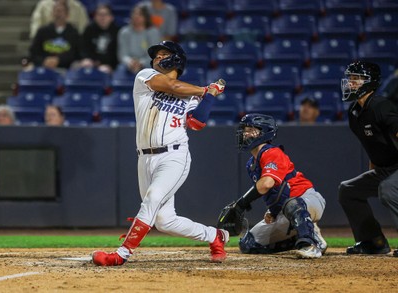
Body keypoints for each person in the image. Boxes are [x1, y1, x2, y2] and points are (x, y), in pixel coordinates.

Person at [92, 40, 228, 266]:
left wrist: (209, 97)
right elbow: (172, 86)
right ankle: (215, 236)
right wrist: (207, 90)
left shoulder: (191, 96)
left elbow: (196, 123)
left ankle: (121, 254)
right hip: (144, 157)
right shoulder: (145, 76)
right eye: (156, 55)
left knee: (152, 198)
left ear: (176, 59)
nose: (157, 58)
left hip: (174, 155)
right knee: (165, 221)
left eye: (163, 54)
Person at [218, 113, 327, 258]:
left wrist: (241, 204)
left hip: (307, 199)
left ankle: (309, 244)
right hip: (286, 209)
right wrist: (273, 211)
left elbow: (266, 184)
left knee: (292, 203)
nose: (245, 133)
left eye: (251, 129)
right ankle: (312, 236)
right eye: (244, 130)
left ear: (264, 132)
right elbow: (275, 191)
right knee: (248, 244)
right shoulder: (251, 163)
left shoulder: (272, 152)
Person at [338, 61, 398, 257]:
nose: (350, 83)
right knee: (348, 190)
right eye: (350, 79)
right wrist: (375, 171)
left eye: (356, 79)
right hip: (385, 169)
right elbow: (372, 145)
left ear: (369, 82)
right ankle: (374, 242)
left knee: (388, 189)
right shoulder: (354, 112)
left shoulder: (382, 106)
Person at [29, 1, 83, 71]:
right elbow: (34, 53)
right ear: (52, 13)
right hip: (44, 68)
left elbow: (76, 54)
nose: (58, 14)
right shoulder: (42, 31)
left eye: (61, 11)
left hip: (67, 69)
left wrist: (59, 60)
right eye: (56, 11)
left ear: (67, 15)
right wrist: (44, 61)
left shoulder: (73, 32)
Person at [116, 4, 161, 74]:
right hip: (128, 65)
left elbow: (154, 55)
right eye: (134, 14)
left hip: (148, 64)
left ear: (146, 17)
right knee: (120, 69)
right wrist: (130, 62)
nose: (136, 16)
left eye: (140, 14)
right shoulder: (124, 32)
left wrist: (141, 62)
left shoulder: (153, 32)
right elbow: (122, 54)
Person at [81, 4, 120, 73]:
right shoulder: (89, 29)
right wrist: (88, 60)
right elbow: (83, 48)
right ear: (95, 17)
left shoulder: (117, 31)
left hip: (110, 65)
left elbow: (116, 53)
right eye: (99, 15)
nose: (102, 18)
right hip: (91, 62)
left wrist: (109, 65)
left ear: (111, 17)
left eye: (105, 15)